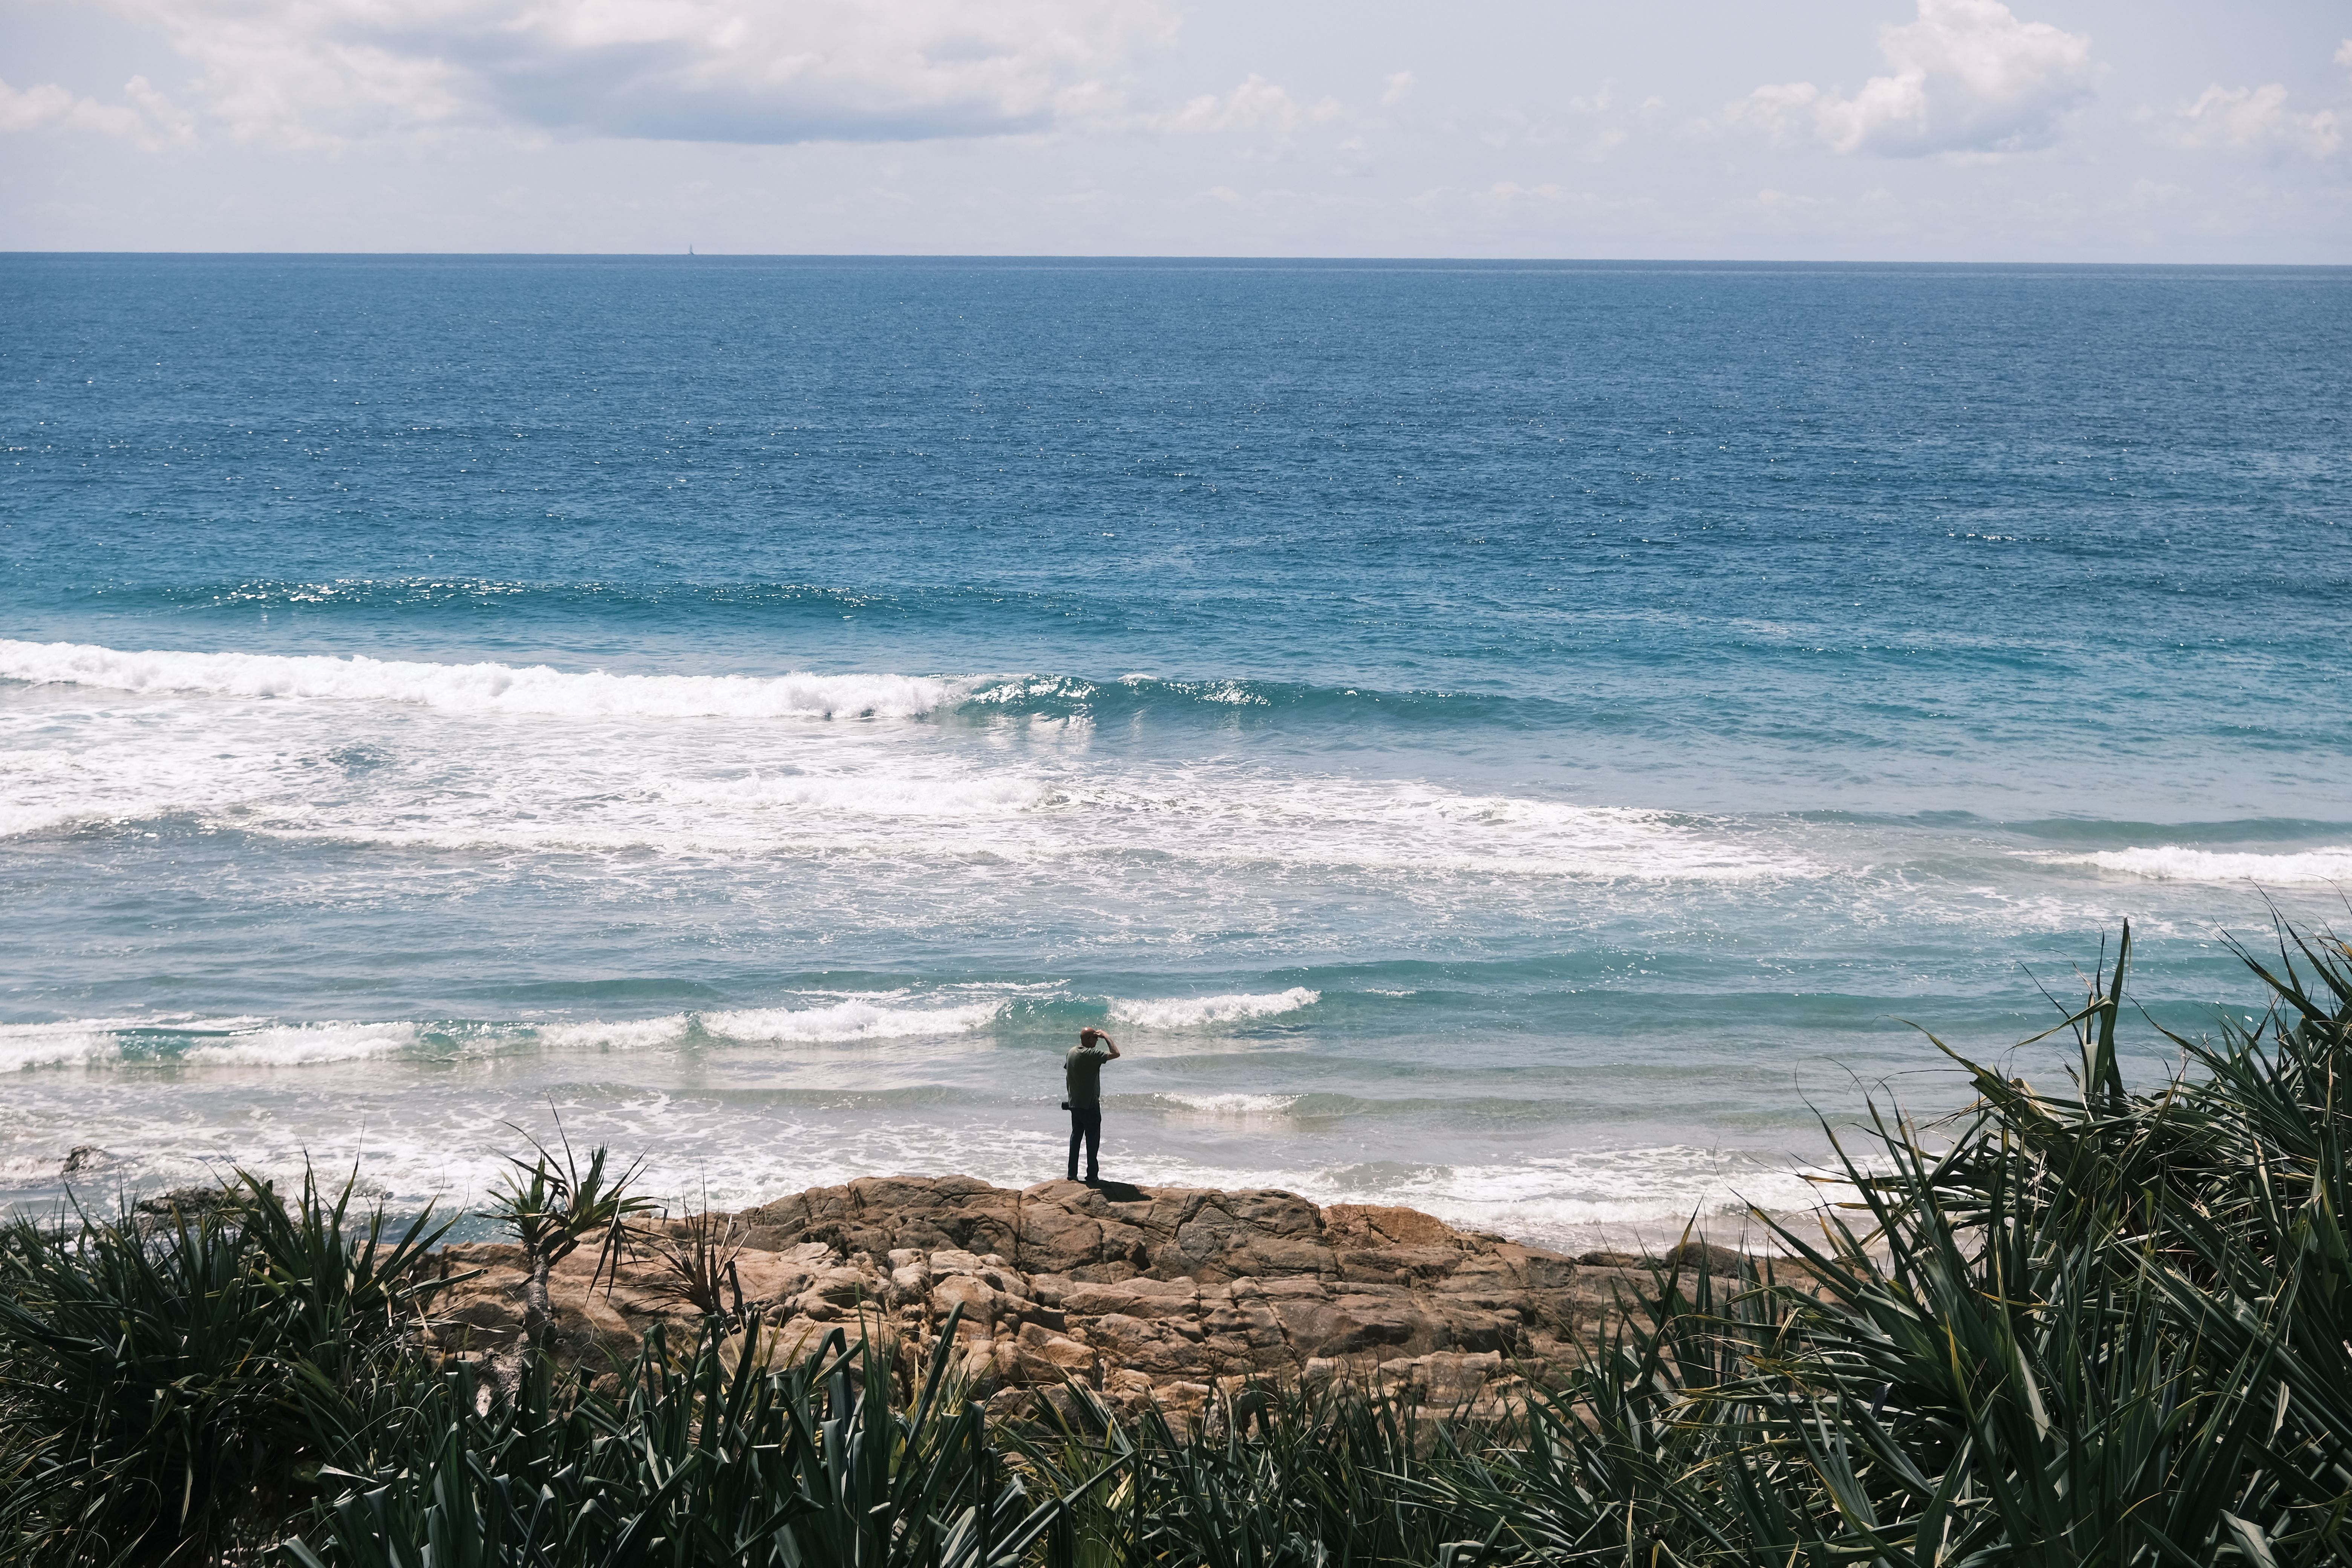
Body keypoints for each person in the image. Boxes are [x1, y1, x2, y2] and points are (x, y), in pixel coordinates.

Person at [1063, 1027, 1121, 1183]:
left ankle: (1072, 1174)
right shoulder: (1091, 1054)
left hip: (1075, 1104)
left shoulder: (1072, 1052)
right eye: (1095, 1038)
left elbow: (1069, 1075)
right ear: (1089, 1040)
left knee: (1076, 1139)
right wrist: (1107, 1037)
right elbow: (1116, 1053)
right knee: (1092, 1141)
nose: (1097, 1040)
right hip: (1090, 1105)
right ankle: (1092, 1176)